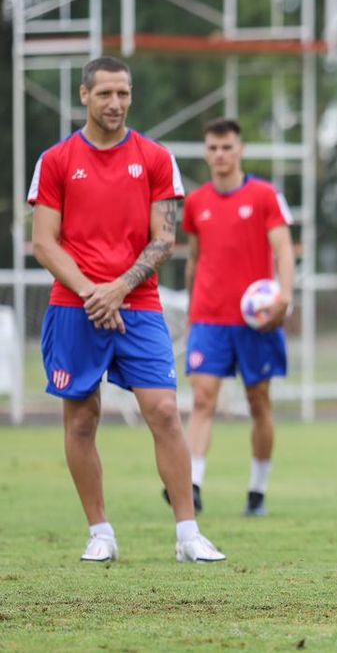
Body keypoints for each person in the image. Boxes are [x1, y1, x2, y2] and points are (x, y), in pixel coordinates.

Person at [27, 56, 225, 563]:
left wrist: (118, 289)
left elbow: (164, 239)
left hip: (138, 305)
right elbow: (45, 244)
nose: (115, 104)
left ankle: (187, 535)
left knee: (163, 412)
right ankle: (101, 533)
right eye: (105, 94)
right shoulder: (55, 160)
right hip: (75, 307)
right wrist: (95, 293)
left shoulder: (156, 158)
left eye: (123, 94)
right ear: (84, 96)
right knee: (81, 421)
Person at [175, 118, 295, 517]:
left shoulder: (264, 195)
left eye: (227, 147)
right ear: (206, 152)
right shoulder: (196, 203)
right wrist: (192, 309)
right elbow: (193, 259)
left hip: (255, 321)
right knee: (203, 399)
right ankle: (192, 484)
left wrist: (285, 297)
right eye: (212, 148)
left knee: (258, 403)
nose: (220, 155)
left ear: (240, 149)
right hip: (209, 318)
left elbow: (283, 250)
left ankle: (257, 491)